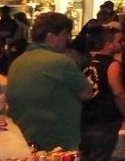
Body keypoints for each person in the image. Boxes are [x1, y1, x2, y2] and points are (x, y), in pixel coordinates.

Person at [7, 12, 95, 151]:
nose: (68, 39)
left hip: (23, 140)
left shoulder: (18, 61)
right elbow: (87, 93)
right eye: (66, 34)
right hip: (56, 142)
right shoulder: (61, 61)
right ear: (51, 37)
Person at [80, 25, 125, 161]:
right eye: (119, 41)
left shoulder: (88, 63)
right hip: (105, 119)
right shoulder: (112, 64)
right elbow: (118, 92)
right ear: (108, 44)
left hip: (87, 117)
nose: (123, 44)